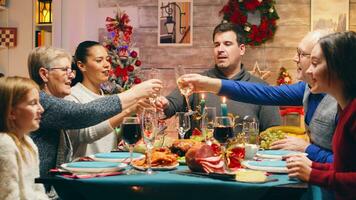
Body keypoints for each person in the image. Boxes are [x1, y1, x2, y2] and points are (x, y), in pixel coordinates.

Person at [178, 30, 336, 163]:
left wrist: (307, 149)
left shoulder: (343, 100)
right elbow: (263, 93)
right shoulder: (307, 89)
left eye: (301, 54)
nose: (295, 58)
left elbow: (347, 165)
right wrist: (208, 84)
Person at [27, 46, 161, 193]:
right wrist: (135, 93)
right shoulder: (40, 101)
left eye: (70, 70)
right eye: (65, 70)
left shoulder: (51, 100)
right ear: (44, 74)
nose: (71, 75)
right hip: (38, 192)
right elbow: (83, 114)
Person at [158, 22, 281, 137]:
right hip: (200, 157)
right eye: (217, 45)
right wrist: (163, 103)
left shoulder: (261, 88)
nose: (220, 49)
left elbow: (273, 134)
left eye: (227, 44)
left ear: (242, 49)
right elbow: (170, 105)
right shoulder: (197, 82)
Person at [286, 31, 356, 200]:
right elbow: (345, 168)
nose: (309, 71)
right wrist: (314, 166)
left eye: (315, 64)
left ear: (337, 68)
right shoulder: (345, 107)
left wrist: (313, 174)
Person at [65, 41, 152, 159]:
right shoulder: (72, 97)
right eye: (99, 60)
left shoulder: (104, 96)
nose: (107, 65)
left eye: (107, 59)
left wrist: (134, 112)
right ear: (81, 66)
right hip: (84, 171)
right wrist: (128, 110)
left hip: (108, 169)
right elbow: (87, 134)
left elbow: (109, 139)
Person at [0, 76, 48, 200]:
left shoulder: (28, 143)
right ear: (11, 112)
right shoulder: (5, 144)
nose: (41, 109)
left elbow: (38, 190)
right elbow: (9, 196)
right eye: (33, 103)